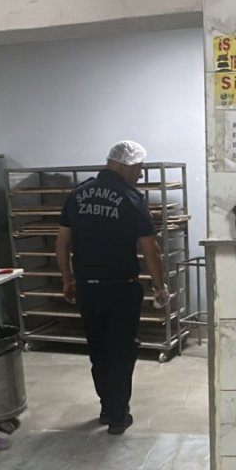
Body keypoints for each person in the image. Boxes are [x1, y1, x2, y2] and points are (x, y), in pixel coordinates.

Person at [55, 141, 169, 435]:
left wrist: (67, 279)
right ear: (123, 165)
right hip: (121, 289)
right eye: (138, 168)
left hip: (87, 289)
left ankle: (107, 408)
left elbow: (62, 243)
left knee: (99, 351)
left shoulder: (77, 195)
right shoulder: (132, 199)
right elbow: (150, 249)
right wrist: (159, 287)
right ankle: (118, 416)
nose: (140, 175)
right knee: (121, 351)